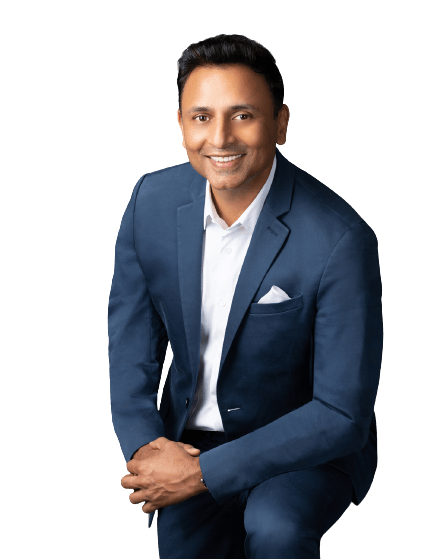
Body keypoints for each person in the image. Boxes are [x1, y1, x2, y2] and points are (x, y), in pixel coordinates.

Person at [108, 34, 383, 558]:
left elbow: (342, 412)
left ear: (280, 123)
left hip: (305, 444)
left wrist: (202, 474)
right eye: (202, 117)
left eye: (243, 115)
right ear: (182, 125)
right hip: (191, 437)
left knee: (276, 527)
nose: (221, 138)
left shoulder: (342, 238)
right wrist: (148, 447)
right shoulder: (150, 202)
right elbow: (130, 346)